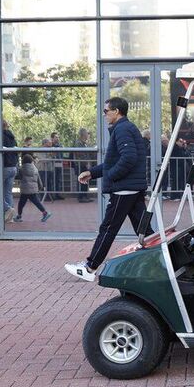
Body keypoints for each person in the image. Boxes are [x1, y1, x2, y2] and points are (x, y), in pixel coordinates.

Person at [64, 97, 152, 282]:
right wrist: (92, 172)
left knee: (108, 228)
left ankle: (90, 267)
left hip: (124, 189)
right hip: (131, 188)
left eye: (106, 111)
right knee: (144, 230)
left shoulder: (122, 129)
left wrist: (111, 176)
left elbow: (128, 158)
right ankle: (169, 262)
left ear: (116, 111)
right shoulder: (125, 128)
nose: (104, 115)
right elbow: (116, 160)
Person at [16, 154, 52, 223]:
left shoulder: (22, 169)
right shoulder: (35, 168)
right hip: (33, 189)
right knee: (36, 202)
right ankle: (44, 212)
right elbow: (39, 179)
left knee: (21, 203)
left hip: (25, 189)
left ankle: (19, 216)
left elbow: (19, 177)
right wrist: (40, 186)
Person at [2, 121, 19, 222]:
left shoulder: (0, 136)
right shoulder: (12, 136)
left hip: (5, 166)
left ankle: (7, 208)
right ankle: (11, 217)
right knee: (8, 192)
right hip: (13, 167)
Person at [74, 128, 95, 203]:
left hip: (84, 165)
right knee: (81, 180)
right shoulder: (78, 143)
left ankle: (85, 196)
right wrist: (86, 163)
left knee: (85, 180)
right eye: (87, 133)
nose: (88, 135)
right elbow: (79, 154)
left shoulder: (84, 143)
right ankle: (81, 197)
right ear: (83, 134)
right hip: (80, 165)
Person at [50, 132, 66, 200]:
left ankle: (57, 194)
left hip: (59, 163)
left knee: (58, 179)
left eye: (58, 137)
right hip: (52, 164)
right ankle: (52, 195)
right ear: (52, 138)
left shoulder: (60, 145)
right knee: (52, 179)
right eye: (56, 137)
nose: (57, 138)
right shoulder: (50, 145)